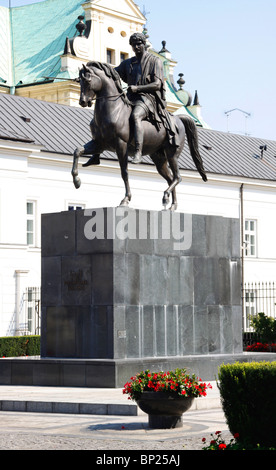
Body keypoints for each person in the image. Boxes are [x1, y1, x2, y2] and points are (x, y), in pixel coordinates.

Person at [115, 32, 179, 164]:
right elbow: (112, 72)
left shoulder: (155, 61)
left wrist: (137, 88)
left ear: (144, 44)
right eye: (133, 45)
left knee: (135, 116)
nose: (136, 47)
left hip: (148, 98)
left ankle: (138, 152)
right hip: (130, 97)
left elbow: (157, 84)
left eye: (139, 44)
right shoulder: (128, 63)